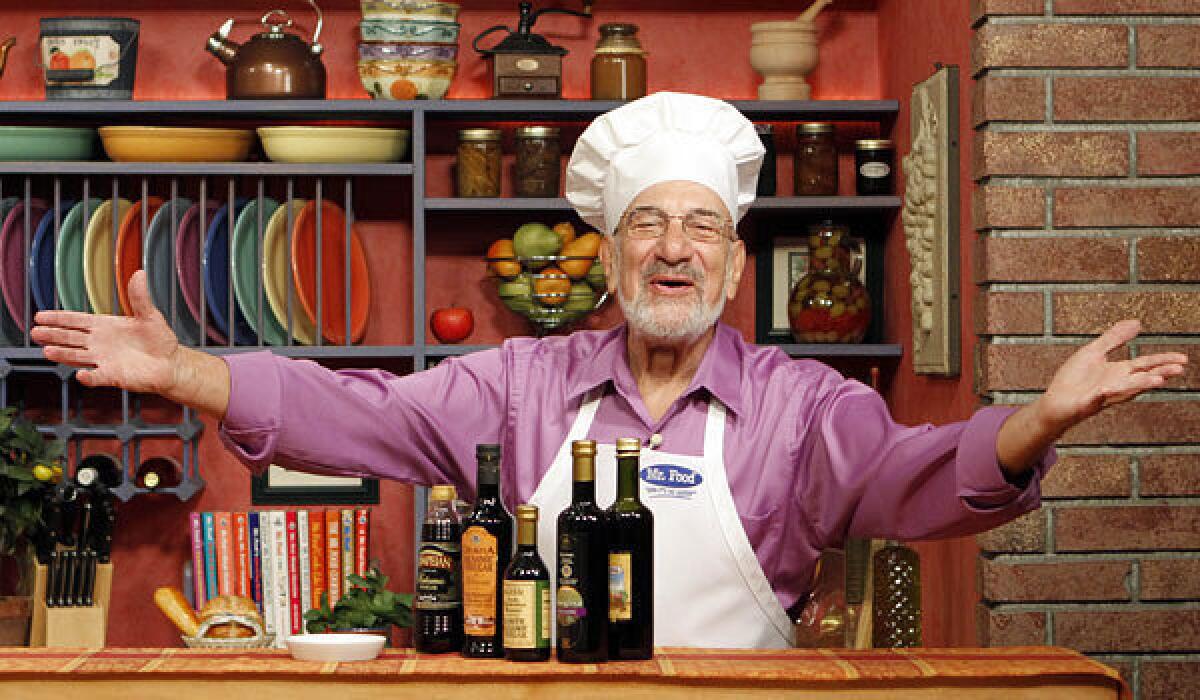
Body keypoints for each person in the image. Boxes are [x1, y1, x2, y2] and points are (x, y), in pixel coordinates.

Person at [31, 92, 1186, 649]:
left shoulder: (801, 405)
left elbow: (907, 474)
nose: (673, 248)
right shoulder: (523, 383)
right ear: (611, 253)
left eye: (700, 227)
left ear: (733, 264)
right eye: (647, 224)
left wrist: (1032, 423)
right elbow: (362, 413)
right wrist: (194, 374)